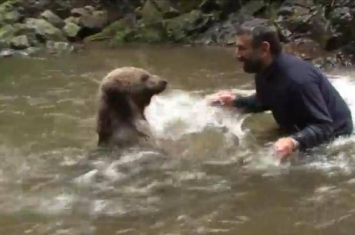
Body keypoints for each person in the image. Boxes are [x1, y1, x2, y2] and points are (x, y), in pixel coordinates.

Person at [208, 23, 353, 160]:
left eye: (242, 49)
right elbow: (265, 100)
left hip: (336, 139)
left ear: (264, 49)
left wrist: (294, 141)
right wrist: (236, 101)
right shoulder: (263, 71)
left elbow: (325, 127)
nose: (237, 55)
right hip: (301, 127)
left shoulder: (298, 80)